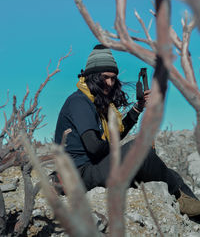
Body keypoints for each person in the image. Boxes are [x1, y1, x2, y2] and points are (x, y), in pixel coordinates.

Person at [55, 44, 200, 218]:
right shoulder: (80, 102)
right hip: (79, 175)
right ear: (93, 76)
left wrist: (137, 109)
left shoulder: (94, 102)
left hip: (91, 169)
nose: (110, 83)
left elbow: (113, 139)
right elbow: (94, 147)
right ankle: (181, 197)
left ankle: (191, 209)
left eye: (113, 78)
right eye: (105, 77)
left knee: (163, 170)